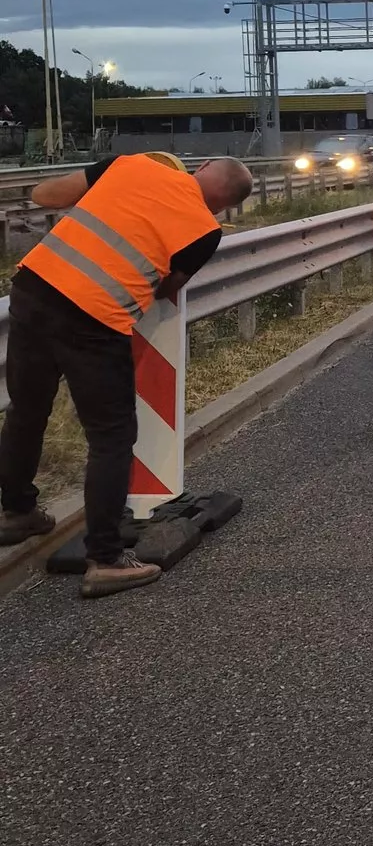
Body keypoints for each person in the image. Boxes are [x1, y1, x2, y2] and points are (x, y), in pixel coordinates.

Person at [0, 151, 253, 597]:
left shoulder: (135, 164)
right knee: (112, 436)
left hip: (34, 289)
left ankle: (17, 512)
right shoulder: (204, 230)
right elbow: (167, 288)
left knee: (26, 410)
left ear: (200, 169)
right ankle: (106, 558)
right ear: (223, 207)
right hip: (94, 320)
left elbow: (45, 194)